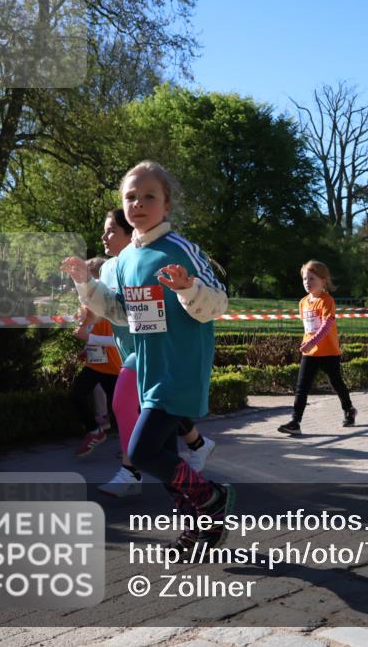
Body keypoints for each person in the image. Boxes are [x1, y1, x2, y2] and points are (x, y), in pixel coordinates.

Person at [62, 160, 233, 554]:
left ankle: (212, 497)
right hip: (143, 368)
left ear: (166, 204)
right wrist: (87, 283)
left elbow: (218, 304)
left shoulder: (181, 250)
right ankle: (202, 530)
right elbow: (120, 313)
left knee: (140, 452)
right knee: (164, 453)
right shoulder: (121, 263)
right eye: (130, 197)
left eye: (149, 196)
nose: (138, 204)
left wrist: (188, 289)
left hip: (177, 367)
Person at [93, 209, 215, 498]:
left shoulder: (162, 257)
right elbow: (117, 310)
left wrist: (186, 289)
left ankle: (130, 471)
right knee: (162, 446)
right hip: (134, 353)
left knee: (124, 405)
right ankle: (195, 511)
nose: (104, 236)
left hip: (153, 356)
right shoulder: (111, 267)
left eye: (111, 230)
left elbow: (196, 305)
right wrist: (86, 289)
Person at [277, 260, 356, 436]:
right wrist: (308, 343)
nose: (307, 282)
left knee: (336, 383)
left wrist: (314, 341)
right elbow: (308, 328)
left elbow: (327, 325)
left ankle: (349, 409)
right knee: (301, 387)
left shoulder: (327, 301)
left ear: (323, 280)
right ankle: (295, 422)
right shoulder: (303, 302)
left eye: (312, 278)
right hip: (310, 353)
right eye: (305, 278)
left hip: (328, 352)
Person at [71, 257, 121, 457]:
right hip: (96, 364)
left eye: (86, 277)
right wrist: (87, 345)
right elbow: (92, 329)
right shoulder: (88, 301)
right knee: (76, 394)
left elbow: (117, 341)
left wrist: (89, 337)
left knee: (120, 410)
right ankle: (94, 431)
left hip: (115, 367)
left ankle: (130, 449)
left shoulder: (112, 302)